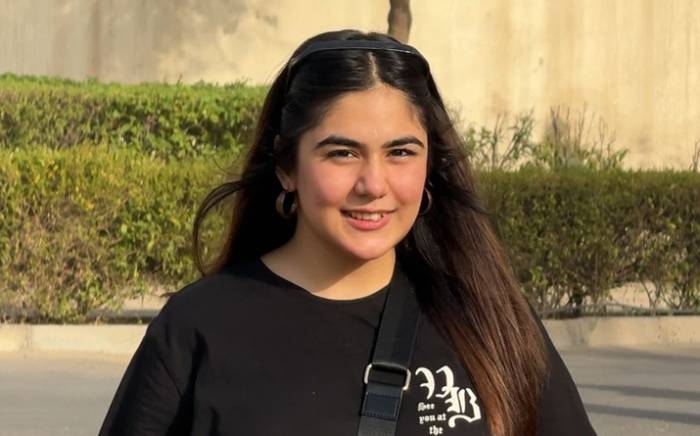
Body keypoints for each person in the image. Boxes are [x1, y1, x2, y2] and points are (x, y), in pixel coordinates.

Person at [98, 29, 597, 436]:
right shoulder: (200, 325)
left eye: (401, 152)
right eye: (342, 153)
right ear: (287, 168)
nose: (374, 184)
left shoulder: (489, 317)